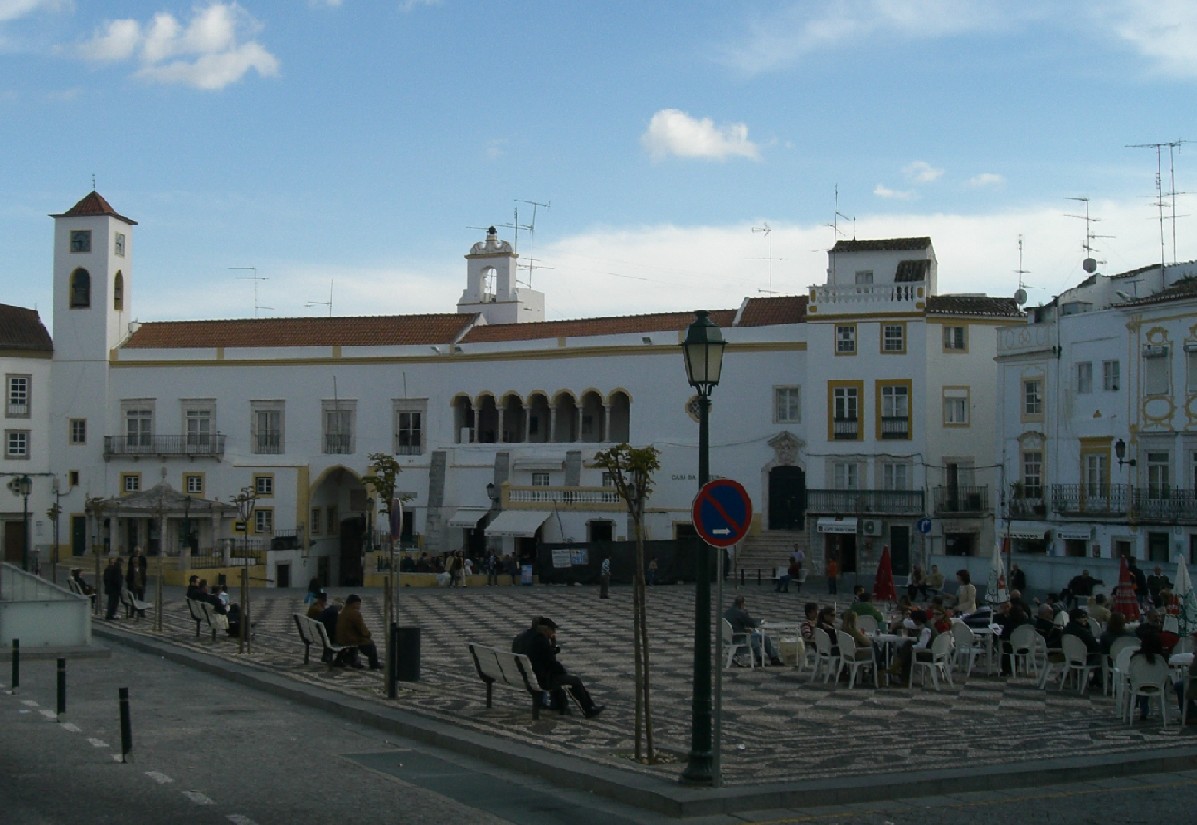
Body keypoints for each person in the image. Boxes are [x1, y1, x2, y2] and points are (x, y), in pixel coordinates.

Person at [525, 617, 604, 718]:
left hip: (531, 677)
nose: (554, 632)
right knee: (575, 681)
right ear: (546, 630)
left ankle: (563, 705)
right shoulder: (542, 642)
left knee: (563, 678)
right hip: (542, 680)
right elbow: (552, 663)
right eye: (552, 630)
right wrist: (562, 670)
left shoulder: (533, 639)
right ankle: (588, 709)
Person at [724, 595, 782, 666]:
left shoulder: (727, 612)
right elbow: (751, 624)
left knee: (757, 635)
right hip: (739, 638)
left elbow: (735, 625)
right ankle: (771, 658)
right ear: (742, 604)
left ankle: (762, 657)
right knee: (761, 636)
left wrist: (745, 629)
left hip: (731, 638)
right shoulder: (739, 613)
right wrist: (757, 620)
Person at [336, 594, 382, 670]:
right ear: (353, 604)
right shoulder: (355, 613)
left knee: (363, 640)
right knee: (370, 644)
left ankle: (344, 660)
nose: (359, 606)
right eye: (358, 604)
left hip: (341, 638)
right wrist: (368, 634)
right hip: (349, 639)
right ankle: (374, 664)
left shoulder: (343, 612)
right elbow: (362, 629)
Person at [1131, 630, 1166, 721]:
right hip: (1159, 683)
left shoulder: (1136, 657)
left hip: (1139, 684)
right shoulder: (1162, 657)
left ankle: (1142, 710)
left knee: (1140, 680)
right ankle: (1163, 711)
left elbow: (1131, 672)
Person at [125, 547, 148, 617]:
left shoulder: (142, 569)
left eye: (136, 562)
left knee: (141, 600)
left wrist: (143, 585)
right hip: (133, 587)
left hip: (140, 586)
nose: (135, 563)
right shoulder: (130, 569)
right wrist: (130, 585)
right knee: (133, 600)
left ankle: (142, 613)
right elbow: (127, 578)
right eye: (134, 562)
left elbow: (144, 578)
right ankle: (132, 613)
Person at [102, 556, 123, 621]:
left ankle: (110, 614)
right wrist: (119, 586)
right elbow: (117, 580)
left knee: (112, 602)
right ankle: (110, 615)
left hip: (111, 588)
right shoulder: (117, 569)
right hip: (115, 589)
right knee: (113, 602)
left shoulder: (113, 568)